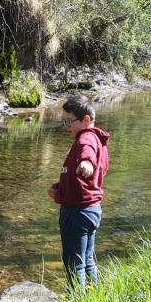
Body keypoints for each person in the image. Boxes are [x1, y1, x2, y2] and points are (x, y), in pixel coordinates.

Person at [48, 96, 111, 289]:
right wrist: (60, 189)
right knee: (87, 260)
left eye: (69, 121)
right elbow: (82, 180)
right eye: (64, 121)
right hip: (91, 209)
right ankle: (93, 301)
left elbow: (87, 153)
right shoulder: (98, 140)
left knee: (74, 264)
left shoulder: (87, 138)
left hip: (77, 213)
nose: (66, 125)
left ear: (85, 120)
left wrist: (86, 163)